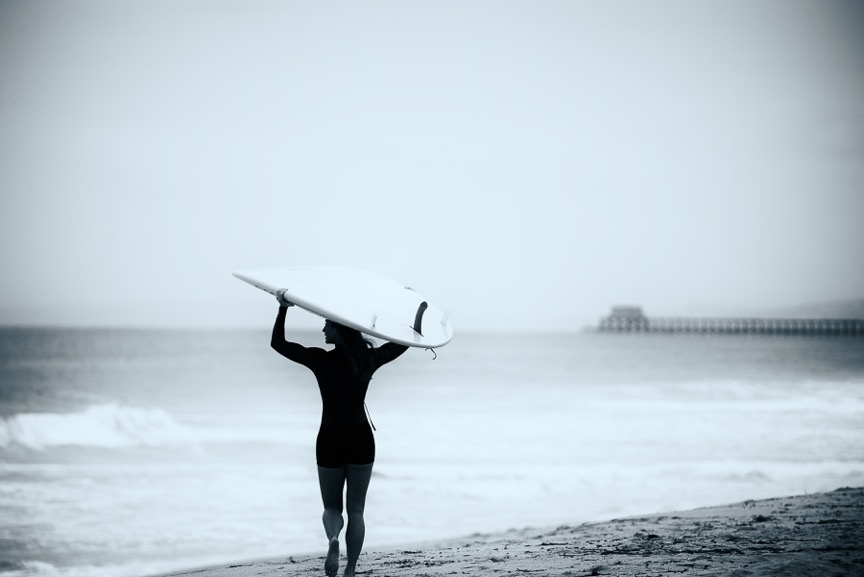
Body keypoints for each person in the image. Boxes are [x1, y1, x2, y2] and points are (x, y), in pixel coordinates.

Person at [270, 289, 409, 577]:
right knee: (356, 510)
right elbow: (402, 344)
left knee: (332, 508)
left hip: (330, 439)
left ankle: (333, 539)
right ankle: (351, 569)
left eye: (328, 324)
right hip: (360, 439)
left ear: (339, 329)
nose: (323, 328)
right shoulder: (368, 360)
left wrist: (283, 308)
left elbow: (278, 344)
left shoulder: (321, 360)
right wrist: (407, 314)